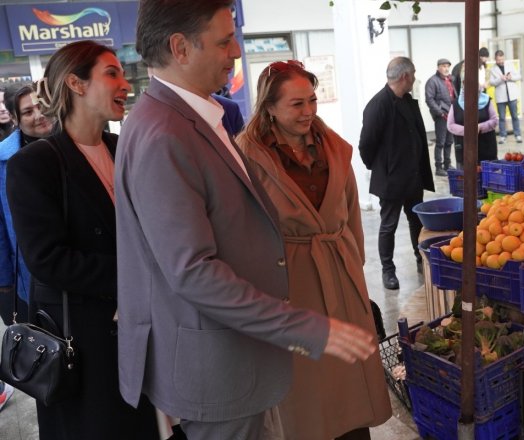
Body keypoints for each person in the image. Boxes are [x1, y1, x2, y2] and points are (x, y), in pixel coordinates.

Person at [116, 2, 376, 439]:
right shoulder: (164, 134)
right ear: (180, 47)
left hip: (238, 354)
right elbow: (193, 271)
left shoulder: (192, 118)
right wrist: (302, 325)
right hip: (217, 367)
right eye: (223, 40)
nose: (236, 51)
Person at [5, 40, 159, 440]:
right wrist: (137, 279)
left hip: (142, 331)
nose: (125, 84)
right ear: (75, 83)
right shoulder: (34, 164)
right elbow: (48, 259)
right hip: (83, 342)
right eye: (112, 73)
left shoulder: (124, 148)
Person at [236, 60, 392, 439]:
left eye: (312, 100)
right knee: (307, 387)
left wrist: (354, 262)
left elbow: (351, 206)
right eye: (296, 104)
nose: (308, 112)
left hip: (340, 271)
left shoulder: (333, 147)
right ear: (269, 107)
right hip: (290, 281)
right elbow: (242, 226)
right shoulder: (247, 155)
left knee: (350, 377)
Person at [359, 57, 434, 291]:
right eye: (413, 73)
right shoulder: (379, 104)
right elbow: (366, 145)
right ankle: (388, 271)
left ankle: (420, 260)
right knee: (388, 224)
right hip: (391, 178)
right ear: (404, 76)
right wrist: (382, 168)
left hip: (412, 176)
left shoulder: (408, 102)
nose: (414, 77)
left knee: (416, 222)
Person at [0, 84, 55, 326]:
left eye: (41, 107)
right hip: (29, 274)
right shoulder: (4, 159)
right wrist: (4, 281)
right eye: (28, 112)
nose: (39, 115)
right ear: (14, 118)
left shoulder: (76, 142)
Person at [447, 65, 499, 167]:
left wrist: (480, 127)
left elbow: (494, 120)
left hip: (487, 148)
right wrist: (467, 130)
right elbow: (450, 125)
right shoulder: (456, 103)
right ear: (463, 85)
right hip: (464, 150)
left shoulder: (486, 100)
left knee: (488, 180)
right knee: (465, 180)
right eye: (467, 84)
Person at [424, 58, 456, 176]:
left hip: (451, 115)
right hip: (441, 116)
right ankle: (439, 167)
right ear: (438, 67)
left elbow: (454, 96)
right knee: (440, 142)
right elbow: (429, 99)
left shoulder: (450, 79)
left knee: (449, 141)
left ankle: (447, 164)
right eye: (443, 66)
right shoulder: (432, 81)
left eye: (448, 66)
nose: (446, 68)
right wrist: (440, 113)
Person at [489, 49, 522, 144]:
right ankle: (503, 136)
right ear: (495, 59)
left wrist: (511, 78)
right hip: (501, 97)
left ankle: (518, 135)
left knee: (515, 116)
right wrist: (500, 79)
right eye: (498, 60)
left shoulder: (510, 65)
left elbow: (518, 76)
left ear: (504, 58)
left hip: (512, 95)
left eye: (502, 59)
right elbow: (492, 82)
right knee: (502, 117)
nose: (500, 61)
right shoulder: (493, 69)